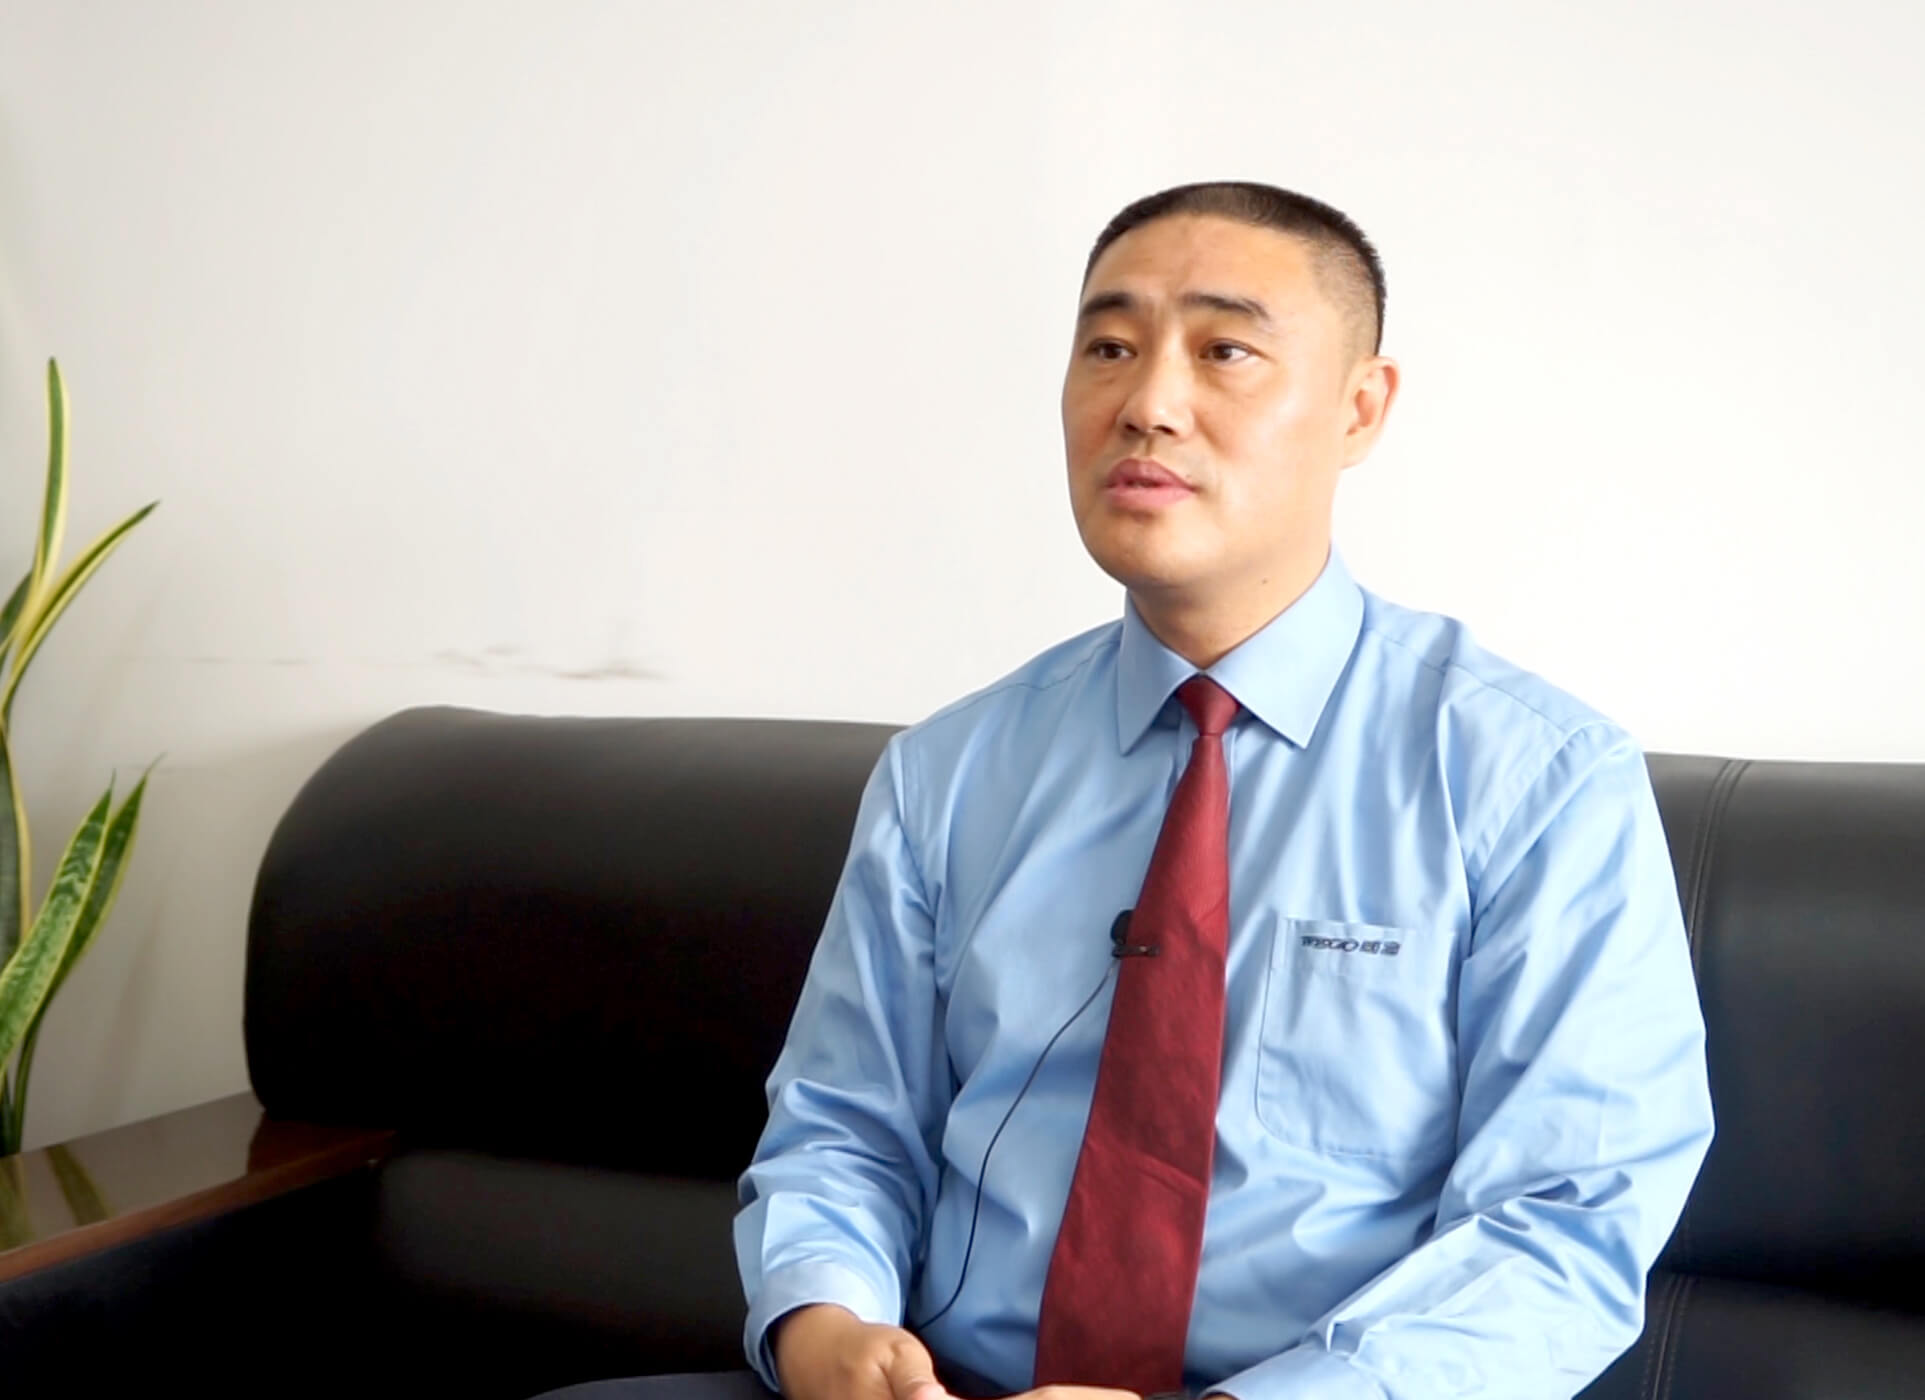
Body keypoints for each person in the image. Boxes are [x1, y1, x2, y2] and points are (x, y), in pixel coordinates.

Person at [539, 180, 1714, 1400]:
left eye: (1224, 351)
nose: (1146, 402)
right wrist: (822, 1324)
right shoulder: (947, 770)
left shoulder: (1534, 781)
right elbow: (844, 1125)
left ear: (1358, 407)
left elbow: (1560, 1222)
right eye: (1108, 347)